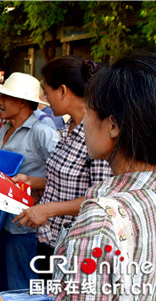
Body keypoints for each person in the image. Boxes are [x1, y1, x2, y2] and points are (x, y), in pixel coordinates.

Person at [0, 54, 156, 301]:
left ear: (113, 126)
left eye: (91, 111)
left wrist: (49, 209)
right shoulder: (152, 191)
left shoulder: (99, 221)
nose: (86, 123)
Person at [11, 56, 112, 281]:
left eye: (47, 93)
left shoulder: (96, 135)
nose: (44, 100)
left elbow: (101, 200)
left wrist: (48, 210)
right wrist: (30, 181)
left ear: (63, 91)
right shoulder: (68, 128)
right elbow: (67, 181)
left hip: (76, 247)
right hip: (50, 239)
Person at [0, 72, 60, 294]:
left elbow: (60, 178)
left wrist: (32, 182)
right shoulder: (6, 129)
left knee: (21, 287)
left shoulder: (42, 132)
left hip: (23, 226)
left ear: (23, 101)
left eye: (5, 98)